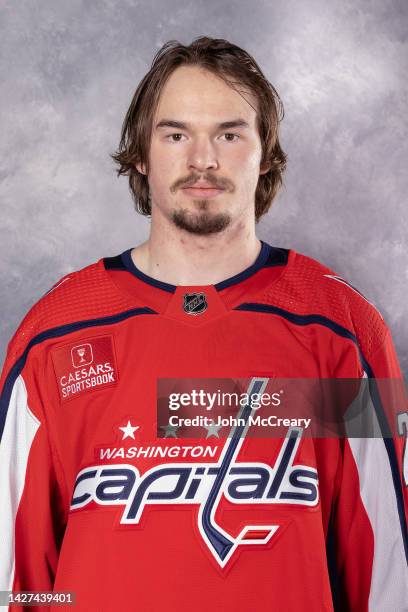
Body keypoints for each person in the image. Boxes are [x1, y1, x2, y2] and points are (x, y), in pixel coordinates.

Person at [0, 35, 407, 612]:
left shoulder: (344, 329)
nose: (203, 160)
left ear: (265, 152)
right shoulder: (54, 333)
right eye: (175, 135)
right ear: (141, 154)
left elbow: (388, 568)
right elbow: (14, 573)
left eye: (229, 134)